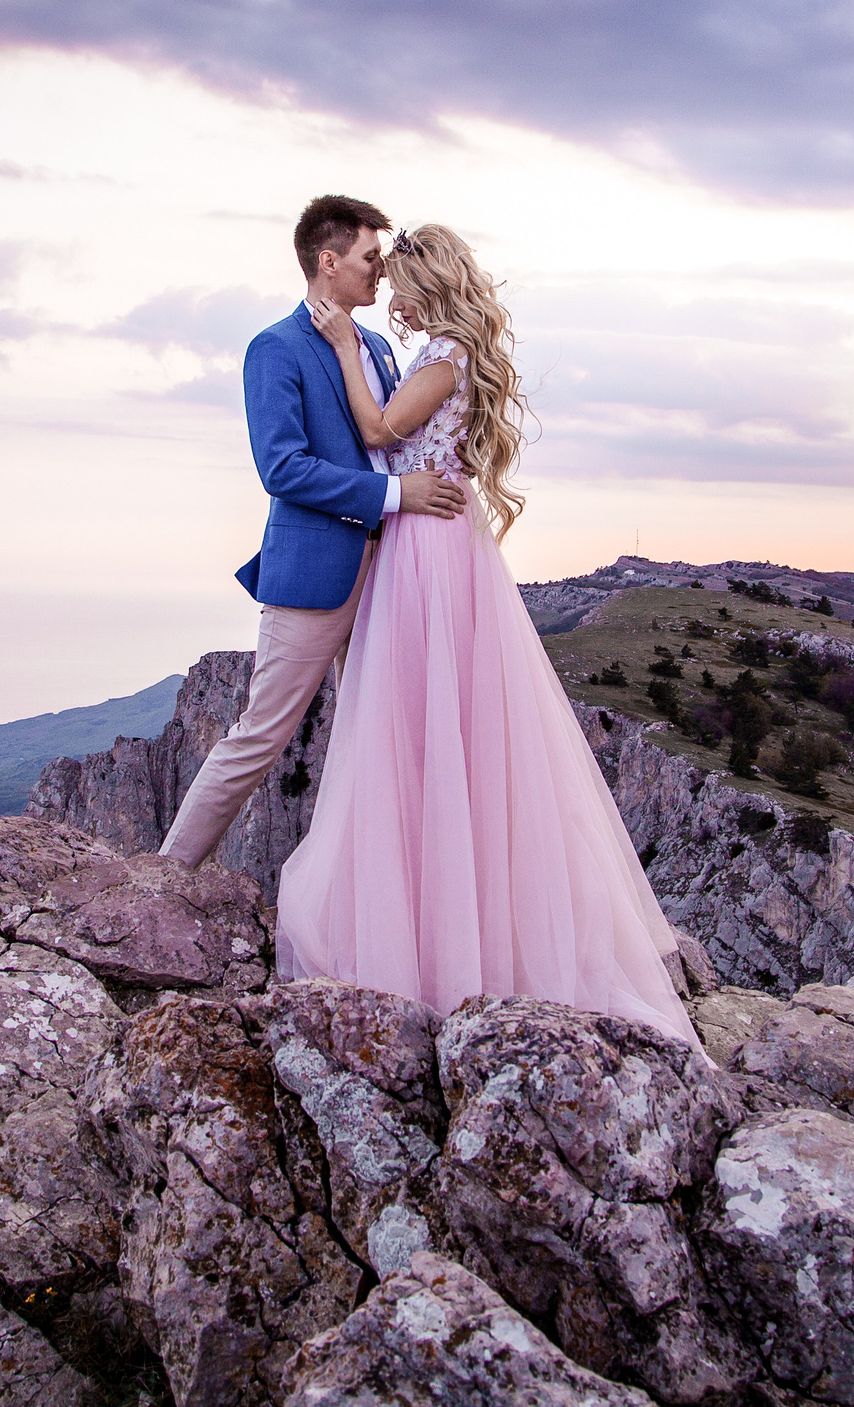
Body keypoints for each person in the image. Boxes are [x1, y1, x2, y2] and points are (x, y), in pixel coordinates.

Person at [274, 223, 698, 1046]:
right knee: (452, 731)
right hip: (441, 546)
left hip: (427, 552)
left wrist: (343, 346)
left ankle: (439, 948)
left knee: (421, 725)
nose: (389, 295)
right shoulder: (448, 349)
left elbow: (377, 431)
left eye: (397, 279)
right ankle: (459, 929)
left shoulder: (438, 355)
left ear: (425, 282)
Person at [157, 196, 469, 868]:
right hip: (316, 573)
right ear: (328, 261)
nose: (380, 273)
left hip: (393, 572)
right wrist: (396, 495)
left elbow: (389, 437)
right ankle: (164, 874)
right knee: (260, 734)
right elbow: (283, 467)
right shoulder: (274, 348)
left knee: (381, 736)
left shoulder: (380, 347)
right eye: (368, 258)